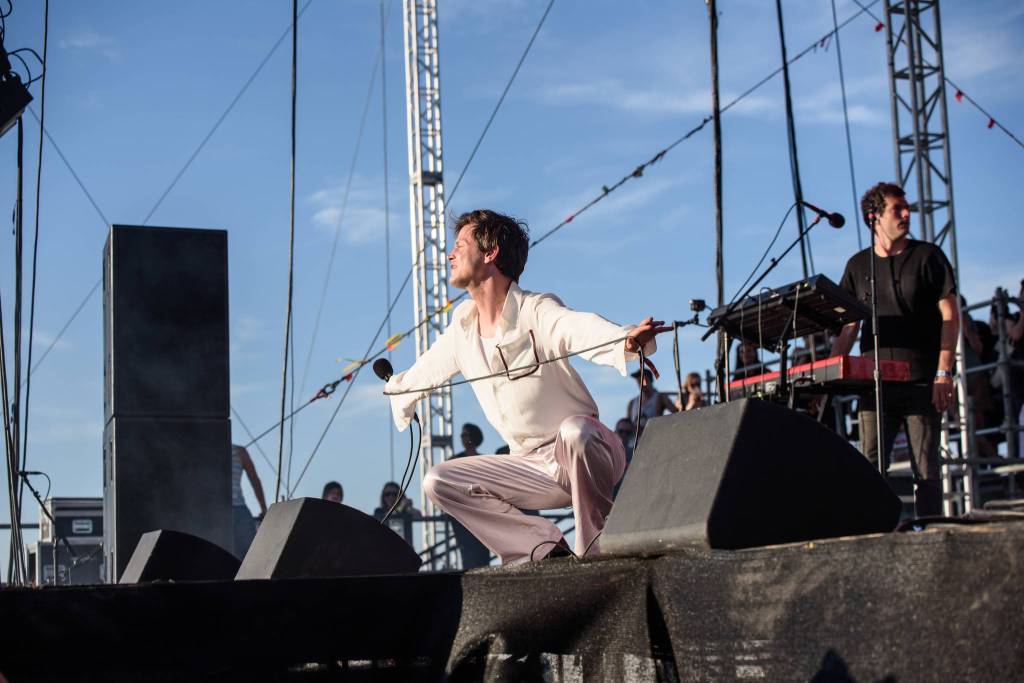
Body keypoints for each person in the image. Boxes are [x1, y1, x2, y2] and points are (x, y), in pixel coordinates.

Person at [383, 209, 667, 563]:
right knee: (438, 481)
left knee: (576, 431)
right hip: (528, 469)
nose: (450, 255)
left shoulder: (535, 309)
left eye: (460, 245)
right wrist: (396, 390)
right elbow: (423, 371)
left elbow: (576, 327)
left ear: (491, 253)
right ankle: (544, 549)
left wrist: (624, 340)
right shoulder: (462, 329)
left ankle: (595, 551)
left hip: (584, 453)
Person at [829, 182, 959, 517]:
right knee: (870, 467)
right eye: (897, 209)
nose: (906, 214)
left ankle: (930, 532)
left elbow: (950, 316)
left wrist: (944, 372)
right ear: (874, 217)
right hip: (874, 385)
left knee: (926, 471)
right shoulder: (858, 266)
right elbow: (848, 327)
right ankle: (874, 533)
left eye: (906, 207)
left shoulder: (928, 256)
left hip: (922, 380)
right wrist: (828, 374)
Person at [450, 423, 492, 569]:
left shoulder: (484, 460)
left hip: (482, 513)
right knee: (468, 553)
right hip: (464, 515)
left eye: (465, 434)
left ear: (473, 436)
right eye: (462, 435)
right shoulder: (454, 460)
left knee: (483, 552)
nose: (462, 438)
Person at [231, 444, 268, 559]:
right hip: (237, 510)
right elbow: (255, 481)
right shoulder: (239, 451)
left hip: (226, 510)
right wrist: (263, 509)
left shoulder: (204, 450)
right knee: (249, 555)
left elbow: (255, 481)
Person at [373, 481, 422, 546]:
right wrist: (400, 508)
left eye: (395, 494)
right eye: (387, 494)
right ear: (383, 497)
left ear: (400, 496)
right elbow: (389, 517)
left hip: (404, 546)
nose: (391, 497)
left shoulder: (404, 511)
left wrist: (409, 507)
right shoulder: (379, 511)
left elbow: (418, 516)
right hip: (385, 545)